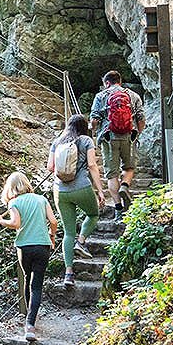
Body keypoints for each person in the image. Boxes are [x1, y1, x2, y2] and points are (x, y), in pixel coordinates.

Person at [0, 171, 56, 342]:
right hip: (43, 246)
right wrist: (51, 236)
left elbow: (15, 224)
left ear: (10, 188)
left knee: (28, 279)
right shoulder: (41, 199)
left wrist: (1, 221)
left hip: (24, 247)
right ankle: (30, 324)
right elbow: (53, 222)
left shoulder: (14, 202)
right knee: (36, 285)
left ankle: (28, 320)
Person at [47, 113, 107, 284]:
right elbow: (92, 165)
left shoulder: (57, 141)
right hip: (81, 186)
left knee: (68, 232)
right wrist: (100, 191)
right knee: (94, 214)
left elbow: (50, 167)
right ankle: (81, 242)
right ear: (83, 127)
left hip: (60, 191)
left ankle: (68, 274)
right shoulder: (86, 141)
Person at [89, 70, 145, 218]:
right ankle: (125, 186)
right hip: (129, 135)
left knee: (112, 174)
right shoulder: (133, 95)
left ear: (107, 83)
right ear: (119, 81)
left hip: (108, 137)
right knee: (129, 167)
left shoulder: (101, 96)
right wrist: (137, 133)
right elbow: (141, 117)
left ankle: (119, 209)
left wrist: (93, 131)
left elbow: (94, 120)